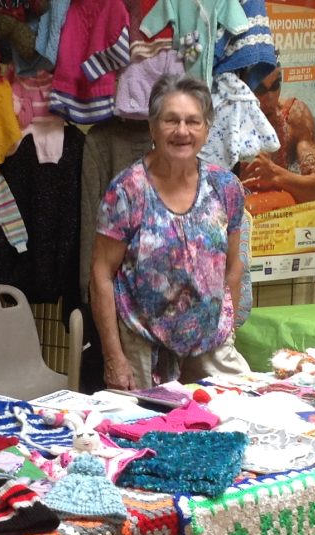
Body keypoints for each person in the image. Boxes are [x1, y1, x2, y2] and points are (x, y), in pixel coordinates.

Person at [90, 73, 251, 391]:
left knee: (236, 409)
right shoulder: (127, 190)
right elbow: (101, 274)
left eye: (193, 121)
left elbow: (233, 267)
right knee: (143, 421)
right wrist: (114, 358)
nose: (182, 131)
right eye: (171, 120)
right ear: (152, 127)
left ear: (207, 129)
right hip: (142, 345)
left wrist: (227, 329)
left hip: (210, 342)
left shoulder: (225, 187)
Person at [238, 66, 315, 204]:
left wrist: (274, 174)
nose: (270, 98)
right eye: (260, 89)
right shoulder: (228, 123)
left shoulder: (294, 117)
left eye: (275, 85)